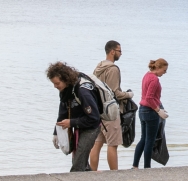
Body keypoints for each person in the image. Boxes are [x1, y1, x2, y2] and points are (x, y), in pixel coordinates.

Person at [48, 62, 102, 172]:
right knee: (79, 161)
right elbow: (63, 112)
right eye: (53, 83)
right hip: (79, 124)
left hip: (92, 127)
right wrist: (56, 132)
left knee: (78, 163)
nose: (55, 86)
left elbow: (94, 118)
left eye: (57, 83)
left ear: (65, 79)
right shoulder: (65, 90)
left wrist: (71, 123)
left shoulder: (83, 92)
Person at [90, 41, 132, 171]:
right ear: (112, 51)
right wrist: (129, 94)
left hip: (98, 109)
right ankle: (114, 173)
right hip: (110, 111)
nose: (121, 53)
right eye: (119, 51)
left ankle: (92, 171)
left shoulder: (99, 67)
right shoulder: (113, 69)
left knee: (97, 143)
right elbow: (115, 93)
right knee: (113, 144)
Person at [133, 58, 169, 169]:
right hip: (150, 111)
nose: (165, 73)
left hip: (142, 109)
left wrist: (159, 107)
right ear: (158, 68)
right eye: (164, 70)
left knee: (143, 139)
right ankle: (147, 167)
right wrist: (158, 111)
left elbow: (149, 97)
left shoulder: (146, 75)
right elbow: (149, 98)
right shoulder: (154, 79)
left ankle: (135, 165)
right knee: (150, 140)